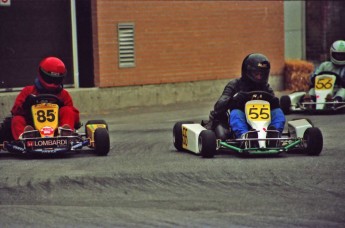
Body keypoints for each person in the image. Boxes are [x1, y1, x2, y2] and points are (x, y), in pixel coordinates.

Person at [204, 53, 285, 146]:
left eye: (262, 74)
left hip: (262, 122)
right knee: (236, 113)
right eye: (256, 73)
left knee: (278, 112)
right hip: (242, 118)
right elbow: (218, 106)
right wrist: (234, 100)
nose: (259, 77)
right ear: (247, 72)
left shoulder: (266, 87)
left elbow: (274, 105)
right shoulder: (235, 85)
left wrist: (275, 102)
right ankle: (245, 137)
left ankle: (274, 137)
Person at [11, 56, 80, 139]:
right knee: (17, 119)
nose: (53, 83)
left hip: (56, 130)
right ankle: (26, 138)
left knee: (68, 110)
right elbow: (15, 112)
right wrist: (25, 105)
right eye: (49, 78)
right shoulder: (28, 91)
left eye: (56, 80)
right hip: (32, 127)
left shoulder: (64, 94)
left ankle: (64, 135)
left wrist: (62, 107)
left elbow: (74, 118)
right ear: (42, 73)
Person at [304, 40, 345, 104]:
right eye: (337, 54)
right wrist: (314, 78)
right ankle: (310, 101)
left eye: (342, 55)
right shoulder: (325, 65)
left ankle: (336, 101)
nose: (340, 57)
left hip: (337, 90)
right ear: (332, 53)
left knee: (343, 91)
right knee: (312, 90)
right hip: (320, 88)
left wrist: (340, 81)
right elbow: (314, 76)